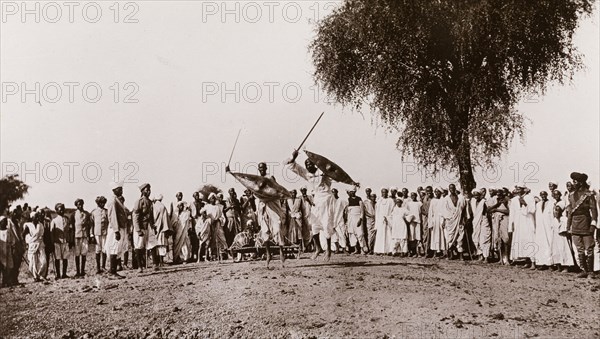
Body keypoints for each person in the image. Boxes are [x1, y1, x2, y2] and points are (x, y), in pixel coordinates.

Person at [286, 151, 351, 262]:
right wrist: (293, 157)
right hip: (317, 199)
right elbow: (293, 167)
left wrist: (328, 171)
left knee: (326, 224)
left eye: (310, 164)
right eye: (306, 165)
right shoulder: (307, 174)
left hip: (327, 199)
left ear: (315, 164)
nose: (308, 166)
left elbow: (337, 175)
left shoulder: (323, 172)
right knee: (314, 224)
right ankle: (318, 248)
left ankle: (329, 250)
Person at [567, 172, 598, 278]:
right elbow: (570, 212)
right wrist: (568, 226)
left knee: (589, 248)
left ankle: (590, 272)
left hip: (586, 223)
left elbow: (594, 211)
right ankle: (583, 270)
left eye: (575, 182)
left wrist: (593, 225)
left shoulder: (589, 195)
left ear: (580, 182)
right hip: (575, 225)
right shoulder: (571, 195)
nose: (573, 184)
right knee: (579, 248)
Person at [509, 184, 537, 269]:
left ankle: (533, 262)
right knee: (522, 241)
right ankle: (526, 261)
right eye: (516, 188)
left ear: (523, 190)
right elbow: (512, 213)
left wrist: (524, 203)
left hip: (528, 222)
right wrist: (511, 224)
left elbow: (532, 210)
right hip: (519, 223)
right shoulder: (514, 200)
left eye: (519, 188)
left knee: (530, 240)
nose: (517, 190)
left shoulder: (530, 197)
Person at [104, 181, 128, 279]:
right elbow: (112, 216)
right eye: (120, 189)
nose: (121, 191)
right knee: (113, 248)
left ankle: (114, 270)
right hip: (115, 229)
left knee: (117, 248)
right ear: (114, 190)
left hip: (120, 228)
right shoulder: (112, 201)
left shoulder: (118, 200)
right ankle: (112, 271)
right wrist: (116, 231)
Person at [132, 183, 155, 273]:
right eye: (146, 190)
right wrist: (138, 230)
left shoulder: (149, 202)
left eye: (149, 190)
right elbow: (135, 216)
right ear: (142, 191)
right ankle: (139, 266)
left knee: (152, 244)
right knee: (139, 246)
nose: (148, 191)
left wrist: (153, 225)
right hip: (141, 227)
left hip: (148, 226)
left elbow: (151, 216)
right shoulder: (139, 202)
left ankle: (155, 264)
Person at [442, 184, 467, 260]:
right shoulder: (446, 199)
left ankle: (461, 255)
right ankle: (451, 254)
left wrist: (463, 219)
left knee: (460, 238)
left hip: (459, 220)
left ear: (455, 188)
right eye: (450, 188)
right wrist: (444, 221)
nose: (452, 189)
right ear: (449, 189)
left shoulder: (461, 198)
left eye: (453, 188)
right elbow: (444, 211)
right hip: (450, 221)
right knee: (449, 238)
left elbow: (464, 210)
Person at [551, 192, 574, 272]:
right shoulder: (554, 220)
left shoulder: (564, 219)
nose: (556, 212)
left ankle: (566, 267)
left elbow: (565, 230)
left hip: (563, 239)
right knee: (556, 251)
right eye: (555, 211)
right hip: (555, 238)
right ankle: (558, 267)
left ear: (561, 211)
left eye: (558, 211)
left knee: (564, 251)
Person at [22, 211, 47, 281]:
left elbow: (42, 235)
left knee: (43, 261)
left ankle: (41, 274)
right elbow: (23, 234)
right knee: (33, 262)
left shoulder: (41, 225)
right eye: (36, 216)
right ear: (32, 217)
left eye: (37, 216)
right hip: (32, 245)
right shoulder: (28, 225)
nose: (37, 217)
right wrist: (27, 242)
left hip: (40, 244)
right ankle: (35, 277)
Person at [203, 193, 228, 261]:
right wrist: (209, 220)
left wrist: (218, 220)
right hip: (209, 224)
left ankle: (223, 254)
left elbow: (222, 216)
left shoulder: (218, 207)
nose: (213, 200)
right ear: (210, 199)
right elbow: (203, 214)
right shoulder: (207, 206)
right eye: (212, 198)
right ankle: (210, 255)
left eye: (214, 198)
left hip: (217, 224)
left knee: (221, 238)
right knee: (209, 240)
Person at [488, 189, 510, 265]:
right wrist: (497, 204)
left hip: (504, 220)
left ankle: (506, 259)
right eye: (497, 195)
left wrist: (497, 209)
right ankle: (500, 259)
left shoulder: (506, 200)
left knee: (506, 239)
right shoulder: (496, 200)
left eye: (500, 195)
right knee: (498, 239)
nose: (499, 196)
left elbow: (509, 211)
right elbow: (489, 210)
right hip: (496, 221)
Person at [469, 189, 491, 262]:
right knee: (476, 238)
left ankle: (486, 257)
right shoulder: (473, 202)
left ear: (480, 195)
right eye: (474, 195)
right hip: (476, 222)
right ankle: (480, 255)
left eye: (477, 195)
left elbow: (487, 213)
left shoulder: (484, 202)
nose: (476, 197)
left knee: (484, 239)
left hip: (484, 221)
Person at [50, 203, 71, 279]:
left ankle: (64, 274)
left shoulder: (67, 219)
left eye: (63, 209)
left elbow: (69, 230)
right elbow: (51, 233)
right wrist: (52, 243)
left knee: (65, 258)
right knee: (57, 258)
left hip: (65, 241)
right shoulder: (54, 221)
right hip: (57, 242)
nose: (62, 211)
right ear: (56, 211)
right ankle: (58, 274)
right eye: (60, 209)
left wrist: (69, 240)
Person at [71, 198, 91, 277]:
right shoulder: (74, 214)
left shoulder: (87, 214)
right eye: (78, 204)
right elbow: (72, 227)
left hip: (85, 235)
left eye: (81, 204)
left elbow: (89, 225)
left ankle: (82, 271)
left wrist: (89, 235)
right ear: (76, 205)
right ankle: (78, 271)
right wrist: (72, 238)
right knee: (77, 254)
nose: (80, 206)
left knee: (84, 253)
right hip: (77, 236)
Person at [534, 191, 554, 269]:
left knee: (549, 244)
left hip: (548, 227)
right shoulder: (538, 205)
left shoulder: (551, 203)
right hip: (540, 227)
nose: (543, 196)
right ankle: (541, 263)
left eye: (544, 195)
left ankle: (550, 264)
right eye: (541, 195)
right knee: (541, 244)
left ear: (547, 195)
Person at [346, 188, 368, 254]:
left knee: (360, 234)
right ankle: (355, 249)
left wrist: (360, 219)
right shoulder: (348, 200)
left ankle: (363, 249)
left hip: (358, 218)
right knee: (352, 233)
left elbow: (362, 210)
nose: (352, 193)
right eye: (350, 192)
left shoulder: (359, 199)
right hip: (350, 219)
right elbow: (347, 211)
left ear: (355, 192)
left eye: (353, 191)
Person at [152, 194, 172, 268]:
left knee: (156, 245)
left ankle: (156, 262)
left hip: (155, 228)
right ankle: (161, 261)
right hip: (162, 228)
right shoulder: (163, 206)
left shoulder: (153, 206)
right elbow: (166, 218)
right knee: (162, 245)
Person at [90, 196, 108, 274]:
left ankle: (103, 266)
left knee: (104, 249)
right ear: (97, 203)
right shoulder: (93, 212)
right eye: (101, 203)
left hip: (105, 233)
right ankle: (98, 268)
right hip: (97, 233)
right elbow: (91, 224)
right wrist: (91, 235)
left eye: (103, 203)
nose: (102, 204)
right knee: (98, 250)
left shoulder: (106, 211)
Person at [374, 188, 394, 255]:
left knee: (388, 235)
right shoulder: (379, 201)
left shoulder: (390, 201)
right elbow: (377, 212)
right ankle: (379, 250)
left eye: (385, 192)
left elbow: (392, 211)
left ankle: (388, 250)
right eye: (382, 192)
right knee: (380, 235)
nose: (384, 194)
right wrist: (378, 220)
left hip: (388, 220)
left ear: (387, 193)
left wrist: (388, 218)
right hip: (380, 220)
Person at [428, 187, 447, 257]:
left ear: (440, 192)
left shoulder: (444, 200)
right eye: (435, 192)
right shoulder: (433, 201)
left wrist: (444, 220)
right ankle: (435, 252)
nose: (436, 193)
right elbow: (430, 212)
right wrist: (430, 222)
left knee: (442, 236)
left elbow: (445, 211)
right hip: (435, 220)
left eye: (438, 192)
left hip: (441, 220)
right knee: (434, 236)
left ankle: (442, 252)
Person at [331, 188, 349, 253]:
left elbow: (347, 206)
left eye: (334, 192)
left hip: (340, 219)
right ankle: (337, 249)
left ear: (337, 192)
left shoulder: (341, 200)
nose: (333, 193)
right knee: (334, 235)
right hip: (332, 220)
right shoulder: (331, 201)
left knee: (342, 234)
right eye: (332, 192)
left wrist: (345, 215)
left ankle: (344, 248)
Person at [406, 192, 423, 257]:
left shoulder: (419, 203)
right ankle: (413, 252)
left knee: (418, 237)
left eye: (414, 195)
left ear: (416, 196)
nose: (413, 196)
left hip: (418, 221)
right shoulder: (409, 204)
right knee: (412, 237)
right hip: (411, 222)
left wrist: (421, 221)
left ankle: (419, 253)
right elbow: (407, 213)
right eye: (411, 195)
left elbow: (421, 212)